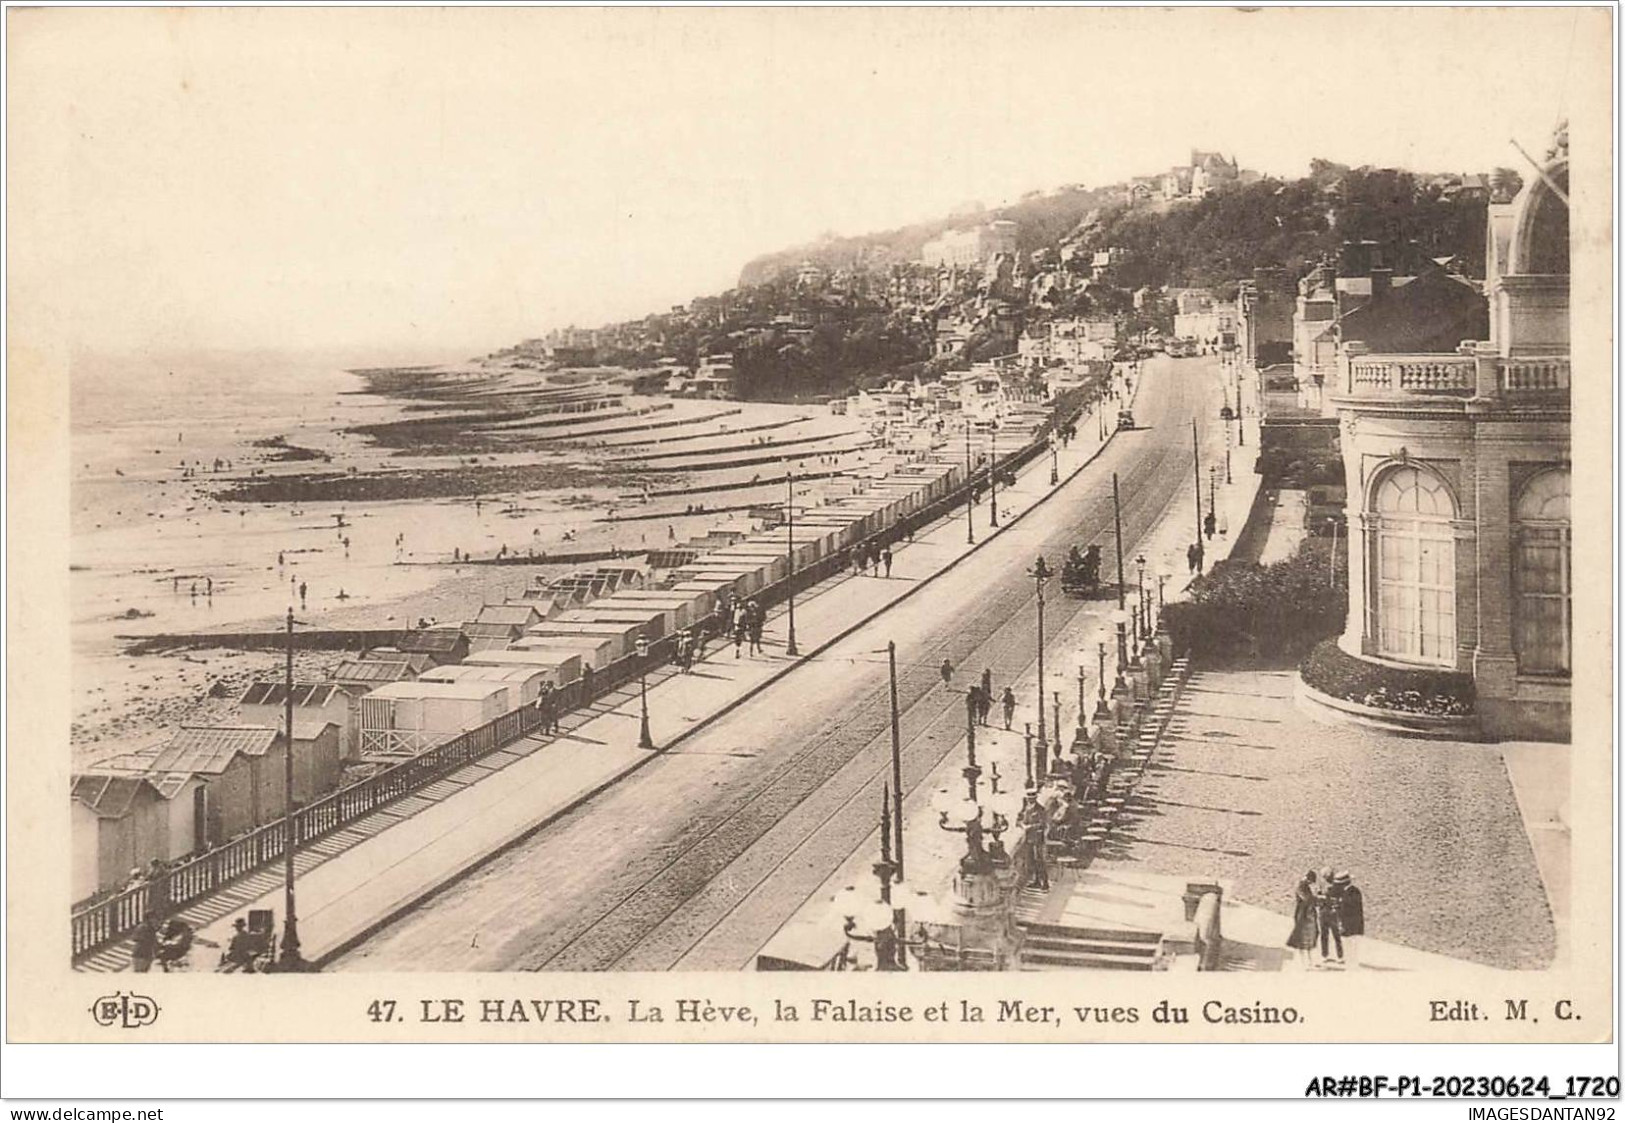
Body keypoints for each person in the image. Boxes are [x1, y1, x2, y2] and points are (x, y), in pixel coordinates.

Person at [1286, 871, 1319, 968]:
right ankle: (1304, 963)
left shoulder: (1304, 885)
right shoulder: (1301, 886)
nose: (1310, 883)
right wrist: (1316, 897)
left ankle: (1308, 962)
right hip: (1303, 915)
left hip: (1307, 914)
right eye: (1310, 881)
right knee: (1302, 939)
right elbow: (1307, 899)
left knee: (1309, 938)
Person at [1335, 871, 1364, 968]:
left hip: (1351, 924)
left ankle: (1353, 964)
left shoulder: (1353, 892)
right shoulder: (1347, 892)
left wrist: (1340, 903)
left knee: (1352, 944)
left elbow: (1351, 907)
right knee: (1348, 945)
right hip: (1347, 923)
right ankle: (1350, 963)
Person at [1317, 866, 1345, 966]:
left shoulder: (1337, 886)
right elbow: (1318, 895)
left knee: (1336, 935)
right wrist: (1322, 898)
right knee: (1324, 935)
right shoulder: (1322, 884)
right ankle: (1325, 955)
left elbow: (1340, 899)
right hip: (1323, 912)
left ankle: (1340, 956)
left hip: (1332, 912)